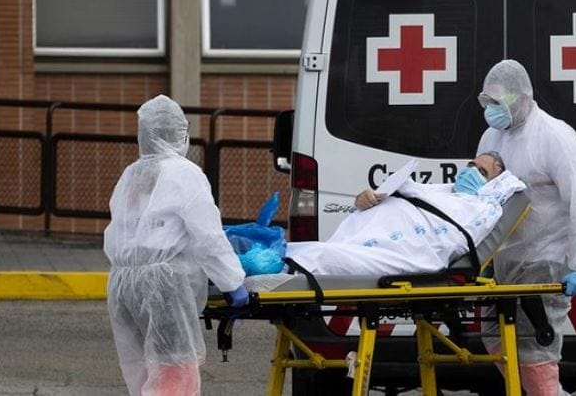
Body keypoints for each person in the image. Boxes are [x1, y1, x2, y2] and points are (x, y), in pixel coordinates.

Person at [104, 95, 249, 396]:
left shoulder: (131, 174)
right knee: (175, 371)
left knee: (143, 371)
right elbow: (208, 237)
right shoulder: (184, 173)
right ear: (179, 133)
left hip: (122, 285)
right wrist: (232, 282)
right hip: (163, 287)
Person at [476, 60, 576, 396]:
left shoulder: (555, 137)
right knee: (493, 339)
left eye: (499, 101)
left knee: (534, 351)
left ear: (521, 97)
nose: (492, 109)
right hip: (502, 262)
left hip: (544, 259)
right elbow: (481, 199)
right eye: (488, 101)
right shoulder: (491, 138)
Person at [285, 152, 523, 275]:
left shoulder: (480, 210)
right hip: (370, 233)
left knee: (323, 256)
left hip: (408, 248)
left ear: (491, 185)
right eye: (471, 165)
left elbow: (448, 238)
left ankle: (290, 262)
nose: (471, 171)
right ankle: (289, 261)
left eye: (482, 172)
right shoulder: (440, 191)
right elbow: (402, 199)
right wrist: (364, 199)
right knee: (326, 251)